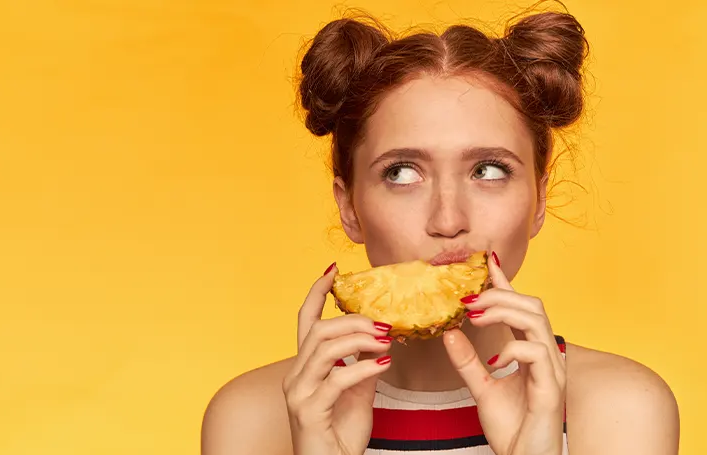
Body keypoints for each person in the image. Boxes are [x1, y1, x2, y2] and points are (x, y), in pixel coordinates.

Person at [201, 5, 680, 455]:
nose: (448, 221)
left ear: (539, 200)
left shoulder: (623, 409)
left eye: (489, 171)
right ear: (348, 205)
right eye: (402, 173)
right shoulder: (252, 418)